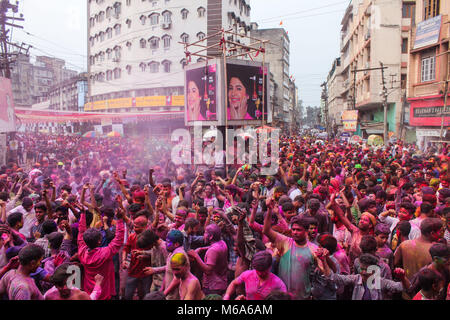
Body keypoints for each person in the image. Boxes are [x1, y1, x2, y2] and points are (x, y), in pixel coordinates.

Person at [263, 197, 318, 300]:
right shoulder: (285, 242)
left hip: (303, 297)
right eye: (293, 229)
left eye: (298, 230)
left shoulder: (313, 249)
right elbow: (266, 230)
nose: (295, 232)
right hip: (283, 296)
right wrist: (269, 210)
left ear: (306, 231)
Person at [77, 207, 126, 300]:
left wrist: (82, 214)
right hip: (103, 292)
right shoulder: (105, 253)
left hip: (88, 291)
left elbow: (80, 233)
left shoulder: (82, 252)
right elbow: (118, 240)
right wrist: (120, 219)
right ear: (99, 241)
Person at [188, 223, 229, 296]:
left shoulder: (213, 251)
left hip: (213, 287)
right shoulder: (222, 243)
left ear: (211, 236)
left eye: (205, 233)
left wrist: (196, 256)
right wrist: (202, 249)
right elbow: (215, 248)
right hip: (222, 283)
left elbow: (208, 270)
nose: (204, 235)